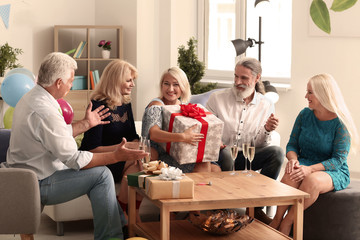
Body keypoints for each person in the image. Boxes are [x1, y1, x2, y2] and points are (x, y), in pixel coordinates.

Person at [3, 52, 147, 240]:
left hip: (28, 175)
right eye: (71, 81)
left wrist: (86, 124)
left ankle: (120, 226)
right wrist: (116, 156)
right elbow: (73, 159)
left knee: (101, 174)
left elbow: (55, 136)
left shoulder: (33, 97)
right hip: (36, 182)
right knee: (101, 175)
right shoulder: (44, 110)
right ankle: (113, 235)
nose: (72, 85)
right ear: (58, 83)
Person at [269, 73, 359, 236]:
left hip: (332, 170)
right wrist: (293, 160)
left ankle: (288, 222)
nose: (306, 96)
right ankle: (276, 220)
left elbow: (338, 160)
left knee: (311, 180)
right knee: (290, 174)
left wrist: (310, 169)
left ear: (322, 94)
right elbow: (292, 144)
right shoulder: (304, 115)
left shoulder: (340, 123)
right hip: (305, 163)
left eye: (310, 92)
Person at [206, 57, 284, 224]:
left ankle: (256, 209)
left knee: (277, 153)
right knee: (226, 153)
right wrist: (215, 141)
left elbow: (259, 144)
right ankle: (225, 209)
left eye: (243, 78)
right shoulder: (217, 99)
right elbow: (207, 130)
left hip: (247, 157)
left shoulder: (266, 104)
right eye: (236, 76)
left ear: (257, 78)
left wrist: (267, 130)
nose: (237, 82)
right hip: (223, 156)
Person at [79, 59, 142, 221]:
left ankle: (128, 213)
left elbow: (133, 134)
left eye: (132, 80)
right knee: (136, 164)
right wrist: (124, 148)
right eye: (128, 80)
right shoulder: (98, 105)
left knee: (143, 161)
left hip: (122, 158)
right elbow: (90, 149)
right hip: (101, 160)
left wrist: (138, 146)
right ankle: (126, 213)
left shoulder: (125, 103)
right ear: (115, 80)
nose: (132, 85)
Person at [141, 66, 221, 173]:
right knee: (204, 165)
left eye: (176, 84)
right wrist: (182, 137)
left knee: (216, 169)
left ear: (183, 87)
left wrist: (213, 139)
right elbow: (154, 134)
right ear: (161, 85)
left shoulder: (183, 106)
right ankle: (196, 189)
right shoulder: (156, 106)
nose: (170, 89)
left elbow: (195, 129)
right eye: (166, 84)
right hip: (158, 155)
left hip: (179, 152)